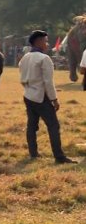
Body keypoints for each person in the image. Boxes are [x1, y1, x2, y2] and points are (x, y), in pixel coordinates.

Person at [19, 30, 77, 164]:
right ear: (38, 42)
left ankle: (33, 153)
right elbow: (48, 82)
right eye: (45, 41)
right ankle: (59, 156)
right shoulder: (44, 58)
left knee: (32, 126)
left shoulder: (25, 57)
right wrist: (54, 99)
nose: (47, 43)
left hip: (28, 94)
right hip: (41, 96)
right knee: (53, 126)